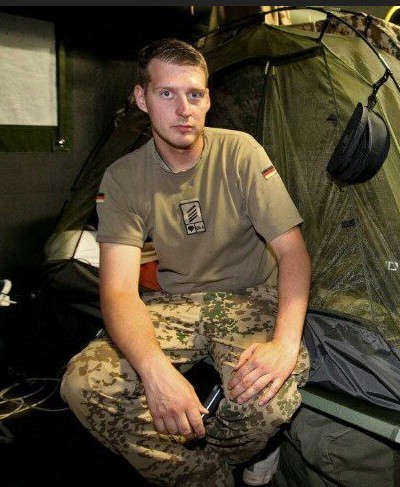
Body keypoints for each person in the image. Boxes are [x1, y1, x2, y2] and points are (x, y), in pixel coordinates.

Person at [60, 38, 311, 487]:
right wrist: (157, 374)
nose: (184, 109)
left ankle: (238, 453)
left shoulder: (241, 152)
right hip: (177, 301)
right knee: (83, 387)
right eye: (167, 93)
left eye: (194, 94)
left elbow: (292, 251)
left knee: (265, 404)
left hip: (248, 295)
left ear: (208, 99)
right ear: (142, 98)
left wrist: (285, 344)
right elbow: (117, 290)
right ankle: (205, 477)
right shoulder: (123, 178)